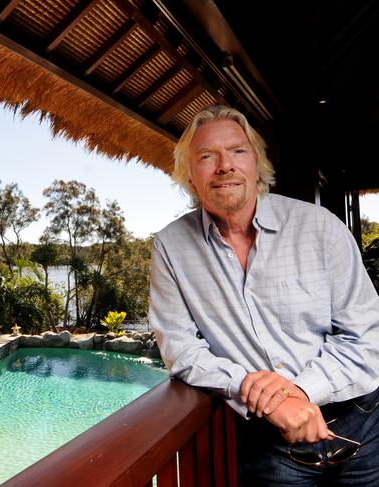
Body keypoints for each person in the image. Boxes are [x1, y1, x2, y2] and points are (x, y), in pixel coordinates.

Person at [148, 104, 379, 485]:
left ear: (257, 165)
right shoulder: (170, 247)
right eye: (207, 156)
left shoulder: (321, 227)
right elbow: (180, 350)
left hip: (360, 425)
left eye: (238, 151)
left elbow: (367, 335)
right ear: (189, 177)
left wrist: (298, 392)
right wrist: (247, 387)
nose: (225, 165)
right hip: (270, 444)